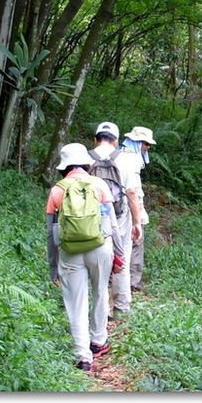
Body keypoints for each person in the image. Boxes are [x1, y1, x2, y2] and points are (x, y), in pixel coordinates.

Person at [45, 142, 124, 371]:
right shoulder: (99, 184)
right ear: (86, 164)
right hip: (101, 247)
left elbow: (51, 233)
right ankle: (98, 341)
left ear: (64, 166)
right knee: (100, 292)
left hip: (69, 251)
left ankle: (83, 355)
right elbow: (113, 225)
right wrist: (119, 253)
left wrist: (53, 265)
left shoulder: (57, 190)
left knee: (75, 301)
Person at [88, 122, 144, 319]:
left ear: (95, 139)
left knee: (98, 260)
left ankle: (103, 307)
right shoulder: (127, 159)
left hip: (91, 218)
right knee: (122, 257)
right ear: (116, 141)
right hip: (120, 215)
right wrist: (137, 222)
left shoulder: (86, 157)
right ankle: (121, 305)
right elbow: (131, 192)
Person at [122, 126, 155, 293]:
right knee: (136, 241)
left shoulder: (119, 154)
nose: (147, 148)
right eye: (146, 144)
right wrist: (138, 214)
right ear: (138, 142)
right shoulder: (132, 159)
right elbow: (133, 190)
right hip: (130, 205)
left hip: (118, 207)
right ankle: (132, 281)